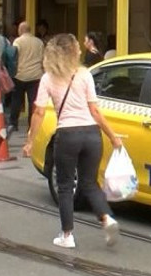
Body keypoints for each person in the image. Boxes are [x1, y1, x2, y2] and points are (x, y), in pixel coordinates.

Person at [22, 33, 122, 249]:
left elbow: (38, 112)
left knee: (65, 185)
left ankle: (67, 235)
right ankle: (107, 218)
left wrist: (30, 141)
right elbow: (94, 110)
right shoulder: (84, 75)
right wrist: (113, 136)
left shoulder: (48, 78)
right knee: (89, 182)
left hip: (67, 134)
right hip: (91, 134)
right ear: (73, 52)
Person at [11, 21, 45, 131]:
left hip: (20, 75)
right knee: (33, 102)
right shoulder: (39, 42)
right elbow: (43, 59)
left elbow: (14, 57)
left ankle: (14, 123)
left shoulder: (18, 41)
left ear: (20, 30)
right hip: (35, 75)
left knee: (16, 100)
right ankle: (31, 125)